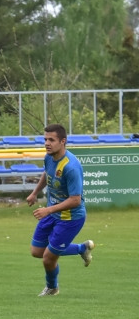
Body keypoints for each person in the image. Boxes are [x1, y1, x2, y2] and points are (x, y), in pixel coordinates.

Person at [26, 123, 95, 296]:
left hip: (70, 218)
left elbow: (75, 200)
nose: (47, 143)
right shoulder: (49, 157)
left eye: (51, 140)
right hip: (53, 212)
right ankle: (81, 248)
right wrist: (35, 193)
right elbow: (46, 174)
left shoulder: (71, 167)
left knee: (48, 257)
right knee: (36, 252)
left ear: (63, 141)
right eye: (45, 139)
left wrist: (48, 210)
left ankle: (52, 287)